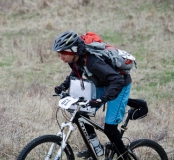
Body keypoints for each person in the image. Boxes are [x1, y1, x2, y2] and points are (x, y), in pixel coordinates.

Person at [52, 30, 131, 160]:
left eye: (63, 53)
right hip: (102, 84)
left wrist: (101, 99)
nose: (61, 57)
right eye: (59, 54)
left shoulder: (93, 62)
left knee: (110, 128)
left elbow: (117, 80)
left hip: (119, 86)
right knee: (82, 112)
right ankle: (95, 147)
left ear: (73, 50)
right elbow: (76, 71)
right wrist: (63, 86)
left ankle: (125, 157)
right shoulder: (75, 59)